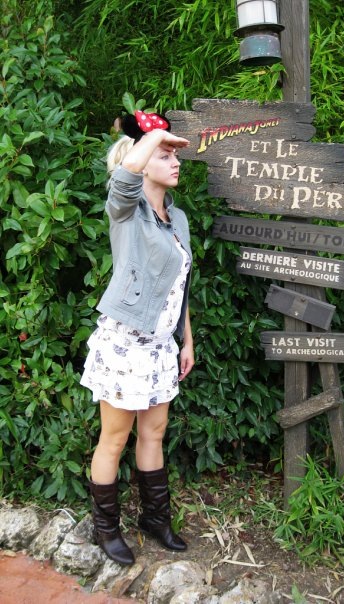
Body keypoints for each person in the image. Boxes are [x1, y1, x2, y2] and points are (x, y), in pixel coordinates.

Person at [80, 109, 194, 566]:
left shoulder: (178, 217)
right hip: (125, 345)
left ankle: (155, 519)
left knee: (154, 433)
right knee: (114, 438)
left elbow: (181, 286)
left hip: (162, 346)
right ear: (143, 161)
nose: (175, 161)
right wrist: (154, 136)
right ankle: (105, 528)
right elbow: (125, 178)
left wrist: (186, 340)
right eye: (165, 155)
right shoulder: (126, 211)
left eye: (174, 155)